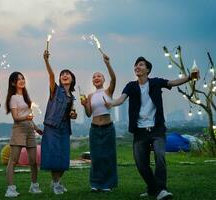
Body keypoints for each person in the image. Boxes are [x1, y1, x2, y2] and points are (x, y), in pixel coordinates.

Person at [105, 57, 199, 200]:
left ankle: (161, 190)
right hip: (139, 131)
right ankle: (152, 188)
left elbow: (172, 82)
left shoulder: (155, 82)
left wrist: (189, 77)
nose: (137, 67)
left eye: (141, 65)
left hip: (157, 129)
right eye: (136, 65)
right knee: (141, 164)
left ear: (147, 69)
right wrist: (111, 103)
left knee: (160, 156)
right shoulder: (131, 86)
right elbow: (121, 99)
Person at [41, 50, 77, 195]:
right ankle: (56, 184)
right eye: (62, 74)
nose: (64, 75)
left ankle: (56, 181)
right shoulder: (55, 90)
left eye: (67, 74)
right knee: (54, 157)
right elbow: (51, 75)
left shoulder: (73, 97)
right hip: (52, 127)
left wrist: (73, 115)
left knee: (63, 158)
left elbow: (70, 114)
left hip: (64, 129)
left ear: (72, 79)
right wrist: (46, 61)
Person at [80, 53, 117, 192]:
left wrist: (107, 63)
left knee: (108, 156)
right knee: (95, 157)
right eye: (94, 77)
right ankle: (95, 184)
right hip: (95, 128)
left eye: (98, 76)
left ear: (103, 79)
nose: (96, 78)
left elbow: (114, 78)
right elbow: (89, 114)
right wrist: (84, 104)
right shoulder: (90, 96)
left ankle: (107, 184)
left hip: (107, 128)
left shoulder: (108, 91)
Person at [4, 71, 43, 197]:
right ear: (13, 83)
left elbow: (29, 118)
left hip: (29, 130)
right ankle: (10, 189)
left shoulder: (26, 97)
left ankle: (34, 186)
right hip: (19, 130)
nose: (22, 81)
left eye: (23, 78)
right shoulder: (13, 98)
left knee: (33, 161)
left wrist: (36, 128)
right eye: (18, 79)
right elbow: (16, 117)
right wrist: (27, 116)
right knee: (13, 161)